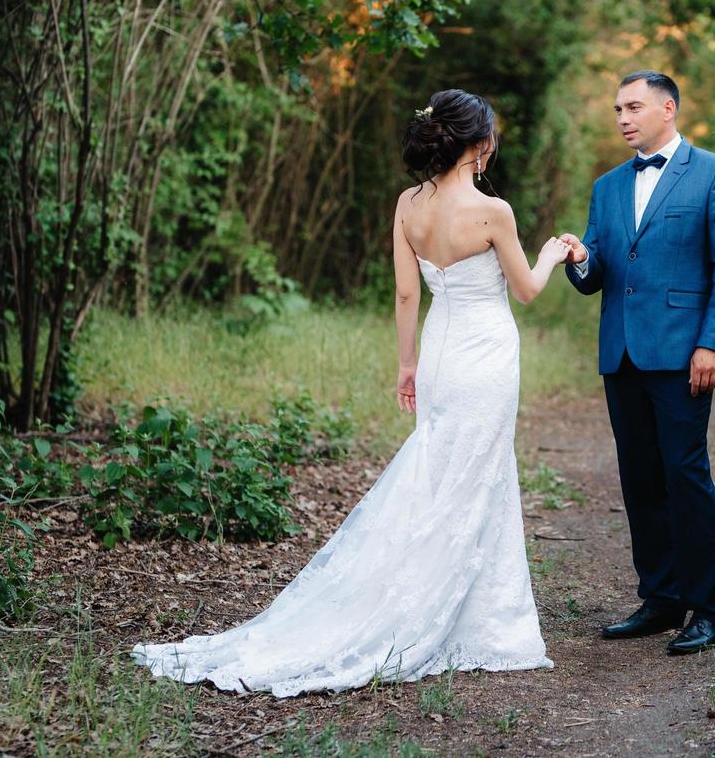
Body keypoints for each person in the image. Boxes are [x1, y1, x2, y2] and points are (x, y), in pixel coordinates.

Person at [131, 89, 568, 696]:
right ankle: (475, 622)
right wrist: (551, 254)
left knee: (442, 471)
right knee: (480, 471)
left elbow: (406, 296)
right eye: (491, 138)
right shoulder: (495, 212)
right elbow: (525, 291)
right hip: (486, 354)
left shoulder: (409, 204)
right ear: (479, 143)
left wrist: (406, 366)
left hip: (441, 351)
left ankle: (467, 613)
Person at [558, 69, 715, 655]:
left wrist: (713, 343)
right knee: (640, 478)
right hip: (621, 351)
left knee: (684, 474)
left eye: (634, 107)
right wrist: (579, 259)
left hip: (682, 351)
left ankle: (712, 609)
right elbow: (596, 277)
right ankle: (662, 599)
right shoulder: (608, 186)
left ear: (667, 109)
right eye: (618, 109)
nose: (622, 118)